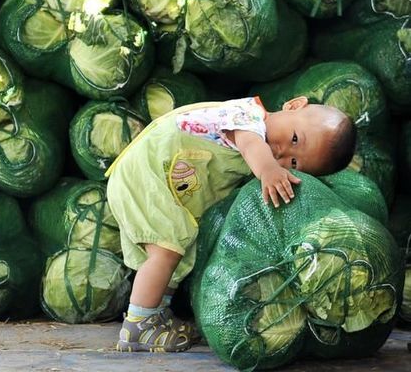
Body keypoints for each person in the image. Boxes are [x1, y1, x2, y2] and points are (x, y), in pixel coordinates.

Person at [105, 96, 357, 353]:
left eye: (294, 163)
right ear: (293, 105)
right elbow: (250, 144)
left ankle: (157, 313)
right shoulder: (248, 117)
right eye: (294, 139)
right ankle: (138, 325)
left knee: (181, 252)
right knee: (166, 250)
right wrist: (269, 169)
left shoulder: (260, 141)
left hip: (162, 184)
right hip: (147, 173)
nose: (282, 153)